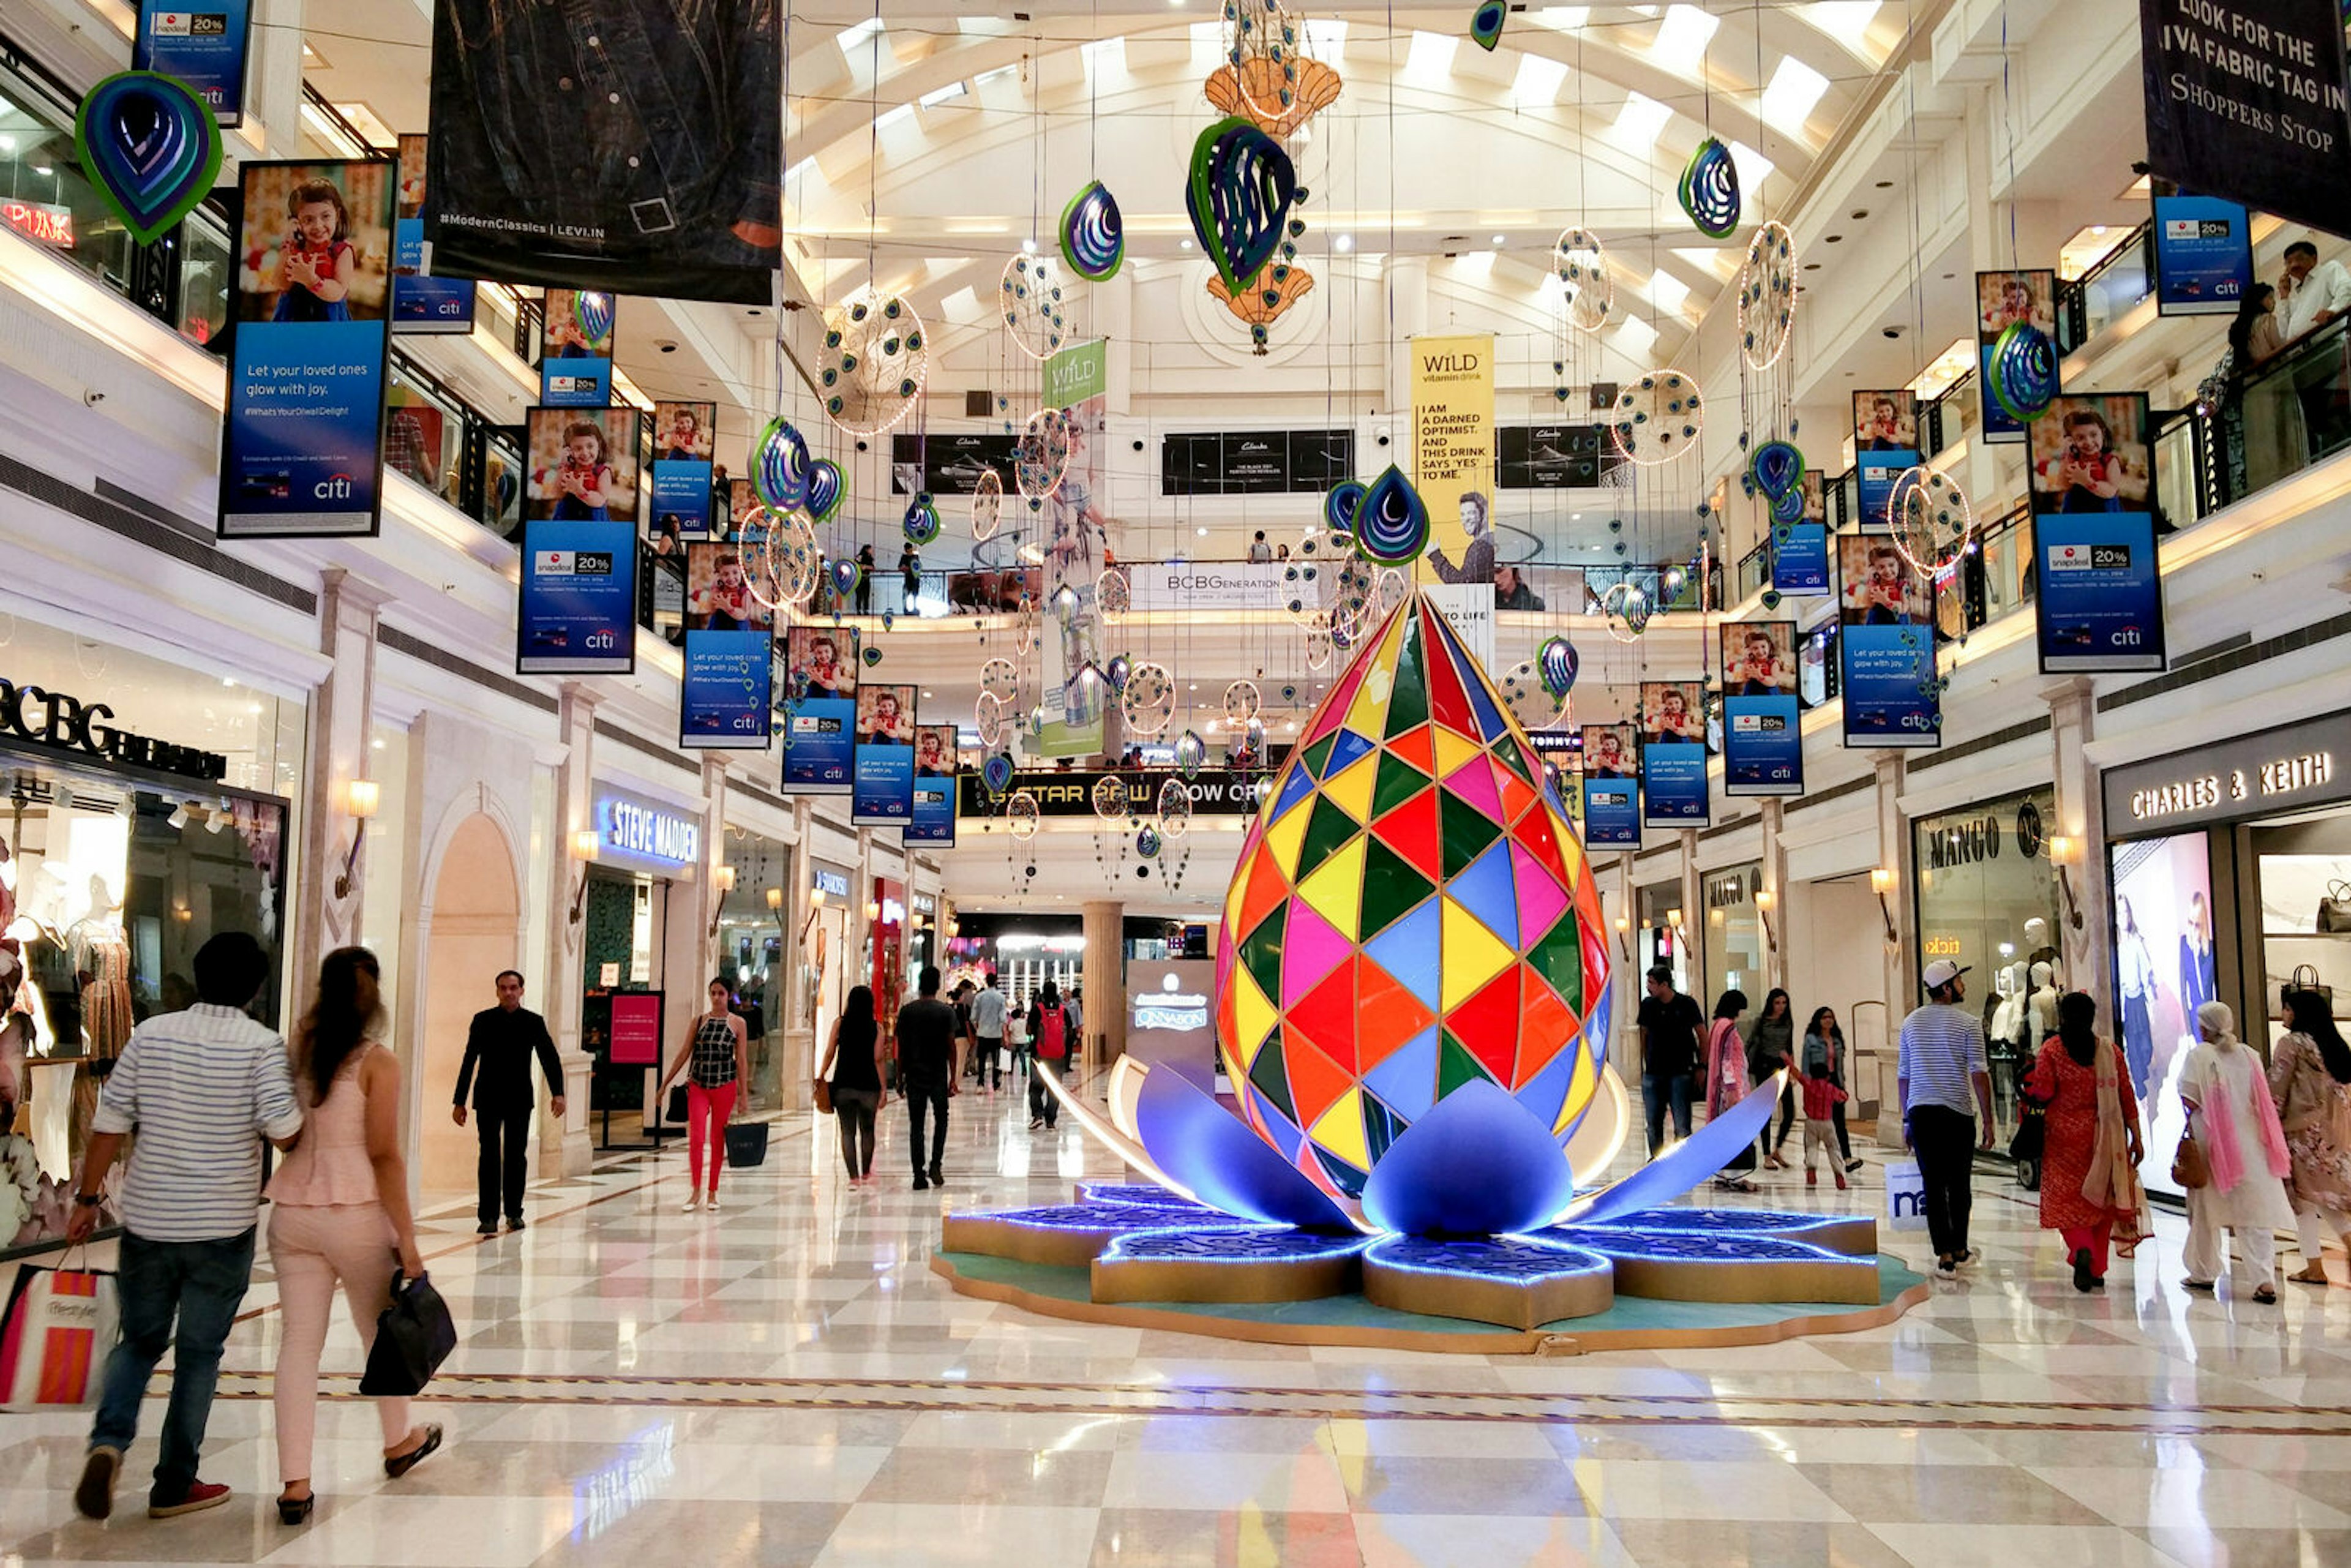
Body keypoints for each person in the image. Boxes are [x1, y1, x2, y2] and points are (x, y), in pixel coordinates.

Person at [69, 932, 302, 1522]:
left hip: (149, 1218)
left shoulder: (150, 1034)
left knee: (141, 1340)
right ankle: (174, 1482)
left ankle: (109, 1441)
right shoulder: (261, 1045)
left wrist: (87, 1198)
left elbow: (109, 1123)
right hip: (221, 1224)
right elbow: (282, 1128)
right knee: (199, 1354)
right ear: (255, 987)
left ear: (197, 976)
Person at [267, 947, 441, 1523]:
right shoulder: (377, 1062)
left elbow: (283, 1130)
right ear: (376, 996)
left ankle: (296, 1484)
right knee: (381, 1336)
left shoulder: (300, 1051)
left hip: (292, 1213)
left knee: (298, 1346)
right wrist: (408, 1239)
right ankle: (398, 1441)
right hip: (358, 1213)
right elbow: (385, 1155)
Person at [2022, 991, 2147, 1294]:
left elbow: (2042, 1091)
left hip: (2062, 1136)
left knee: (2066, 1199)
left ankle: (2080, 1250)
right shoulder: (2109, 1051)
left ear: (2063, 1017)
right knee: (2101, 1201)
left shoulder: (2052, 1050)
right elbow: (2126, 1095)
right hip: (2104, 1136)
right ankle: (2098, 1268)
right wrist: (2136, 1136)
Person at [2180, 1000, 2294, 1303]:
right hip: (2252, 1140)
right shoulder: (2249, 1054)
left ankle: (2203, 1273)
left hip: (2211, 1142)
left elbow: (2190, 1099)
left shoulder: (2199, 1055)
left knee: (2207, 1209)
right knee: (2254, 1213)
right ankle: (2264, 1280)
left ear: (2203, 1026)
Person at [1897, 959, 1996, 1275]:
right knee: (1959, 1183)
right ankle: (1959, 1246)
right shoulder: (1969, 1024)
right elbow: (1980, 1075)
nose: (1962, 986)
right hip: (1956, 1112)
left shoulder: (1911, 1023)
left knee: (1933, 1183)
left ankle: (1944, 1254)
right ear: (1947, 988)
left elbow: (1904, 1076)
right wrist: (1989, 1120)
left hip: (1922, 1113)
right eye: (1958, 980)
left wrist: (1905, 1120)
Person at [451, 970, 568, 1235]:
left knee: (516, 1156)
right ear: (497, 991)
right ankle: (488, 1215)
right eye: (503, 988)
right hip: (488, 1096)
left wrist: (558, 1093)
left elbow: (549, 1058)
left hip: (518, 1098)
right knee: (489, 1155)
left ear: (521, 991)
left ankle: (514, 1212)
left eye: (513, 988)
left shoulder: (533, 1022)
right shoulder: (483, 1021)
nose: (508, 993)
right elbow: (469, 1060)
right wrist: (460, 1101)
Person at [2270, 988, 2351, 1286]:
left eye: (2288, 1009)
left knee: (2302, 1201)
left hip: (2301, 1133)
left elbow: (2277, 1089)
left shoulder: (2292, 1045)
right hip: (2334, 1133)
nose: (2284, 1014)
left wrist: (2268, 1126)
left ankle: (2315, 1266)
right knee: (2327, 1198)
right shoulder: (2334, 1045)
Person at [656, 977, 749, 1213]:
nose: (717, 998)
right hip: (698, 1084)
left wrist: (743, 1094)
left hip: (724, 1085)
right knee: (696, 1137)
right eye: (713, 993)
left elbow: (742, 1060)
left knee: (718, 1138)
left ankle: (712, 1191)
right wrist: (665, 1083)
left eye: (721, 993)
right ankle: (696, 1189)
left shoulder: (738, 1024)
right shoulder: (699, 1022)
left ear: (729, 996)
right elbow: (684, 1052)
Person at [896, 965, 961, 1188]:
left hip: (914, 1075)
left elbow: (901, 1048)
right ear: (938, 985)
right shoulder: (945, 1012)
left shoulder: (907, 1012)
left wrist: (898, 1077)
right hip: (938, 1076)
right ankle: (935, 1164)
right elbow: (951, 1047)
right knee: (941, 1120)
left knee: (917, 1125)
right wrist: (954, 1078)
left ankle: (918, 1175)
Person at [817, 984, 884, 1185]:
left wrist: (821, 1073)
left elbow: (830, 1051)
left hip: (843, 1084)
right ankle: (866, 1172)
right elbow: (878, 1058)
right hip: (868, 1086)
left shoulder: (840, 1024)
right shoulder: (877, 1027)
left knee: (847, 1131)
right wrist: (883, 1089)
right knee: (868, 1130)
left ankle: (853, 1177)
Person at [1636, 966, 1702, 1157]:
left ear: (1664, 984)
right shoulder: (1648, 1005)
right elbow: (1644, 1034)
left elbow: (1702, 1035)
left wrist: (1701, 1065)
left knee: (1682, 1123)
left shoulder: (1687, 1004)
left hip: (1680, 1071)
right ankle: (1656, 1160)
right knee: (1653, 1122)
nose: (1648, 987)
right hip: (1654, 1072)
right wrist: (1645, 1062)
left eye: (1652, 983)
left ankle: (1680, 1160)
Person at [272, 178, 355, 323]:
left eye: (326, 216)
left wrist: (312, 281)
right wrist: (289, 246)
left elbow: (338, 292)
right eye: (309, 220)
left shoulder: (342, 251)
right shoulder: (293, 248)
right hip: (292, 317)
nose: (318, 225)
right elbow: (279, 283)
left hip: (328, 320)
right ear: (297, 223)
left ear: (338, 215)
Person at [1704, 990, 1759, 1193]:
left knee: (1722, 1134)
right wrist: (1734, 1091)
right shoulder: (1728, 1028)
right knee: (1735, 1134)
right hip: (1730, 1090)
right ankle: (1736, 1176)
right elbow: (1729, 1061)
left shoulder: (1718, 1026)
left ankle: (1722, 1174)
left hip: (1718, 1090)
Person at [1802, 1006, 1864, 1174]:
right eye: (1824, 1017)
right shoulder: (1811, 1040)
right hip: (1817, 1082)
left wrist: (1842, 1085)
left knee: (1839, 1122)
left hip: (1834, 1082)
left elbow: (1839, 1065)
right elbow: (1805, 1064)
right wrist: (1807, 1085)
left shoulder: (1837, 1039)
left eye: (1831, 1017)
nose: (1828, 1020)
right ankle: (1809, 1156)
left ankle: (1847, 1158)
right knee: (1814, 1120)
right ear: (1818, 1020)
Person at [2034, 409, 2124, 513]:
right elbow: (2063, 485)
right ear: (2072, 440)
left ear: (2103, 433)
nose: (2089, 442)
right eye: (2081, 438)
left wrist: (2086, 482)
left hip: (2104, 511)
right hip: (2075, 509)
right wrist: (2067, 455)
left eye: (2094, 435)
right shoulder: (2072, 459)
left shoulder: (2110, 461)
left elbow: (2111, 491)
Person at [2115, 895, 2159, 1099]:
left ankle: (2143, 1076)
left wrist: (2152, 1000)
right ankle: (2139, 1088)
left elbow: (2147, 974)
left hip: (2138, 998)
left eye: (2126, 912)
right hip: (2124, 1001)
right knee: (2131, 1044)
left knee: (2145, 1044)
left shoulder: (2137, 942)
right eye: (2120, 913)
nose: (2124, 917)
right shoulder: (2115, 947)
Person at [1749, 987, 1798, 1169]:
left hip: (1782, 1065)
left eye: (1784, 1003)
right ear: (1771, 1003)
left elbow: (1789, 1046)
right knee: (1766, 1113)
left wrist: (1791, 1069)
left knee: (1790, 1111)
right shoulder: (1761, 1022)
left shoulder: (1788, 1022)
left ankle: (1778, 1148)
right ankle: (1767, 1154)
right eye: (1777, 1003)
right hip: (1764, 1066)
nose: (1781, 1007)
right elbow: (1751, 1043)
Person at [534, 420, 617, 521]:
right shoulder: (568, 468)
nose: (585, 453)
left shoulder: (603, 471)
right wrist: (563, 465)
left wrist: (579, 491)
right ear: (569, 450)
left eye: (590, 446)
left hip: (592, 520)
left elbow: (600, 500)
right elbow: (557, 493)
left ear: (598, 445)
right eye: (578, 448)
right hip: (566, 518)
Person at [1030, 979, 1074, 1130]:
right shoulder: (1063, 1010)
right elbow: (1070, 1031)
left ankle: (1037, 1115)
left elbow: (1029, 1030)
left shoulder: (1038, 1009)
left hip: (1039, 1055)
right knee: (1055, 1088)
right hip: (1058, 1056)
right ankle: (1051, 1121)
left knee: (1036, 1087)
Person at [1425, 492, 1494, 585]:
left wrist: (1435, 556)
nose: (1466, 519)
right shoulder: (1490, 540)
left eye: (1471, 513)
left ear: (1483, 514)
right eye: (1462, 514)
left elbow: (1461, 583)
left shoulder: (1482, 546)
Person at [1799, 1068, 1849, 1191]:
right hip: (1827, 1122)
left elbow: (1798, 1075)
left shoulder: (1809, 1084)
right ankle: (1839, 1175)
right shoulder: (1830, 1088)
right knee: (1833, 1148)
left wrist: (1787, 1062)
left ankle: (1811, 1170)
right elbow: (1843, 1097)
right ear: (1827, 1077)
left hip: (1811, 1122)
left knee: (1811, 1147)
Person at [970, 972, 1008, 1094]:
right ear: (996, 981)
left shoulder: (980, 997)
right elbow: (1003, 1018)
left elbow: (973, 1017)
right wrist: (1005, 1035)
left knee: (981, 1060)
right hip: (996, 1034)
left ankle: (980, 1083)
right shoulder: (1001, 997)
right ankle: (995, 1083)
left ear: (986, 981)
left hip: (982, 1033)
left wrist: (977, 1028)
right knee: (996, 1059)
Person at [899, 541, 921, 610]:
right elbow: (900, 567)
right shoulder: (904, 557)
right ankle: (906, 608)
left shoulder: (916, 556)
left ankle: (915, 607)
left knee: (915, 593)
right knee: (907, 593)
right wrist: (906, 568)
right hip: (908, 577)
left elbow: (919, 566)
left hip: (915, 577)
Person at [855, 543, 876, 614]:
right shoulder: (860, 557)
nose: (871, 551)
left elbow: (873, 567)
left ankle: (866, 609)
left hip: (867, 577)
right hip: (859, 578)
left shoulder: (870, 558)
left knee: (866, 595)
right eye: (870, 549)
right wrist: (862, 566)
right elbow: (856, 564)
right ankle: (859, 609)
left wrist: (866, 567)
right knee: (859, 595)